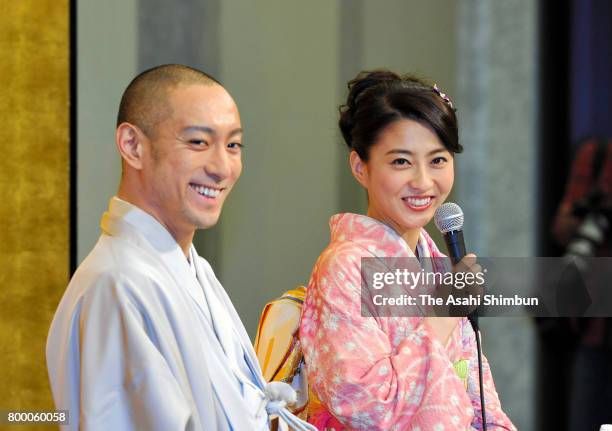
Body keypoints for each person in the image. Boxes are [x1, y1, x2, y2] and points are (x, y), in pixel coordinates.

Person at [46, 64, 314, 431]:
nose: (222, 166)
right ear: (132, 145)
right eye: (198, 142)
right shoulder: (119, 284)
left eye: (233, 145)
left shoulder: (191, 268)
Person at [299, 70, 516, 430]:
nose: (423, 181)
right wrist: (443, 317)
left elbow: (476, 392)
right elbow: (367, 407)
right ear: (360, 166)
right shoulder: (344, 267)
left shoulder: (439, 266)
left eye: (438, 160)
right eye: (401, 161)